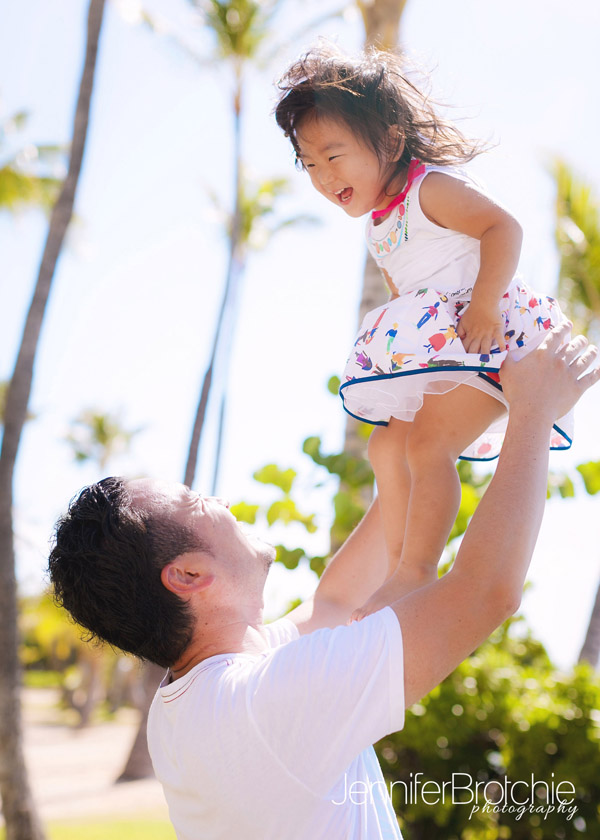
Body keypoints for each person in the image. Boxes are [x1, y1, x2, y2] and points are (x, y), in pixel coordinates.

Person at [48, 323, 599, 840]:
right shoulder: (258, 706)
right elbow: (484, 592)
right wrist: (533, 413)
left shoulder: (198, 701)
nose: (217, 499)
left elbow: (336, 601)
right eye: (196, 502)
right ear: (189, 575)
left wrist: (420, 451)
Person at [274, 45, 576, 620]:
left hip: (491, 339)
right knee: (385, 445)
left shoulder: (428, 189)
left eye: (334, 155)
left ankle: (416, 571)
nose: (324, 176)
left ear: (390, 141)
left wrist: (483, 304)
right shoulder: (378, 225)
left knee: (427, 445)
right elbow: (407, 302)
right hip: (448, 349)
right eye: (309, 164)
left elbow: (502, 227)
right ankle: (399, 570)